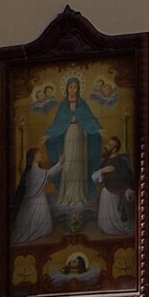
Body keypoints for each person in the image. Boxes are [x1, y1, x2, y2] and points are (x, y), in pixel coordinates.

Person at [43, 77, 102, 224]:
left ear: (78, 89)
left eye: (75, 87)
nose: (73, 90)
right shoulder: (63, 106)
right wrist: (48, 136)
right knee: (69, 163)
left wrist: (98, 130)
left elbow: (90, 119)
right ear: (67, 89)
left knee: (80, 164)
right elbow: (58, 123)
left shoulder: (82, 105)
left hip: (81, 135)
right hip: (69, 135)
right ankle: (67, 195)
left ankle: (80, 194)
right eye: (70, 87)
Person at [11, 147, 62, 244]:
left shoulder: (32, 171)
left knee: (42, 228)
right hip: (37, 202)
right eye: (38, 154)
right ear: (33, 157)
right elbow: (50, 174)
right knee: (40, 228)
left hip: (34, 201)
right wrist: (60, 163)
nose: (41, 155)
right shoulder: (35, 171)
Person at [92, 138, 135, 238]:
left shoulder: (121, 161)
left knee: (120, 221)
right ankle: (107, 228)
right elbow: (94, 178)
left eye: (109, 145)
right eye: (107, 143)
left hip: (117, 194)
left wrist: (127, 190)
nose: (106, 146)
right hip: (107, 193)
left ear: (115, 149)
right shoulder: (105, 162)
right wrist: (103, 170)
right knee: (106, 225)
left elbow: (126, 176)